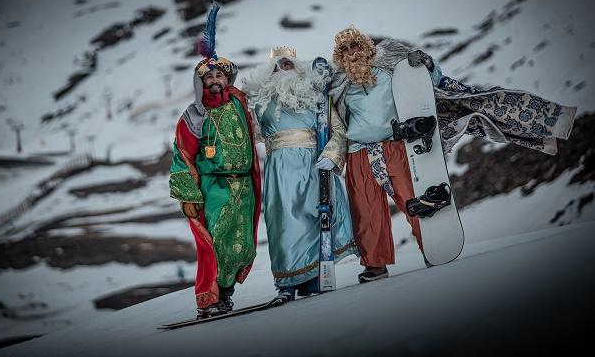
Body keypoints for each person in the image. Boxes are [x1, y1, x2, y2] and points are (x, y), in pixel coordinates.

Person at [328, 26, 576, 283]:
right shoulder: (339, 87)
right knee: (365, 211)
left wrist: (426, 64)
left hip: (396, 144)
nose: (350, 53)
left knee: (414, 198)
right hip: (358, 152)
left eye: (354, 45)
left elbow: (428, 81)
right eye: (343, 50)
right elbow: (326, 117)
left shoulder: (392, 68)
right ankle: (375, 265)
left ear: (366, 46)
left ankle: (433, 247)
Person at [169, 3, 262, 318]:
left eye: (219, 74)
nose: (214, 81)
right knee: (215, 244)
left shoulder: (239, 102)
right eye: (208, 76)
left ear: (227, 77)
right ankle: (209, 300)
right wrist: (188, 196)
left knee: (243, 246)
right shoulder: (194, 115)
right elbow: (182, 154)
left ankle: (226, 295)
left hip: (244, 186)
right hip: (215, 187)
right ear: (199, 82)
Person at [243, 46, 356, 301]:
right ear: (269, 72)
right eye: (278, 66)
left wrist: (331, 156)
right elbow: (246, 133)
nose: (283, 70)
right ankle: (286, 284)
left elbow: (337, 129)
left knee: (314, 220)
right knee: (283, 224)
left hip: (313, 166)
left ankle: (312, 277)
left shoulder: (316, 97)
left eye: (288, 65)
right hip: (279, 171)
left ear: (297, 67)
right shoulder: (259, 103)